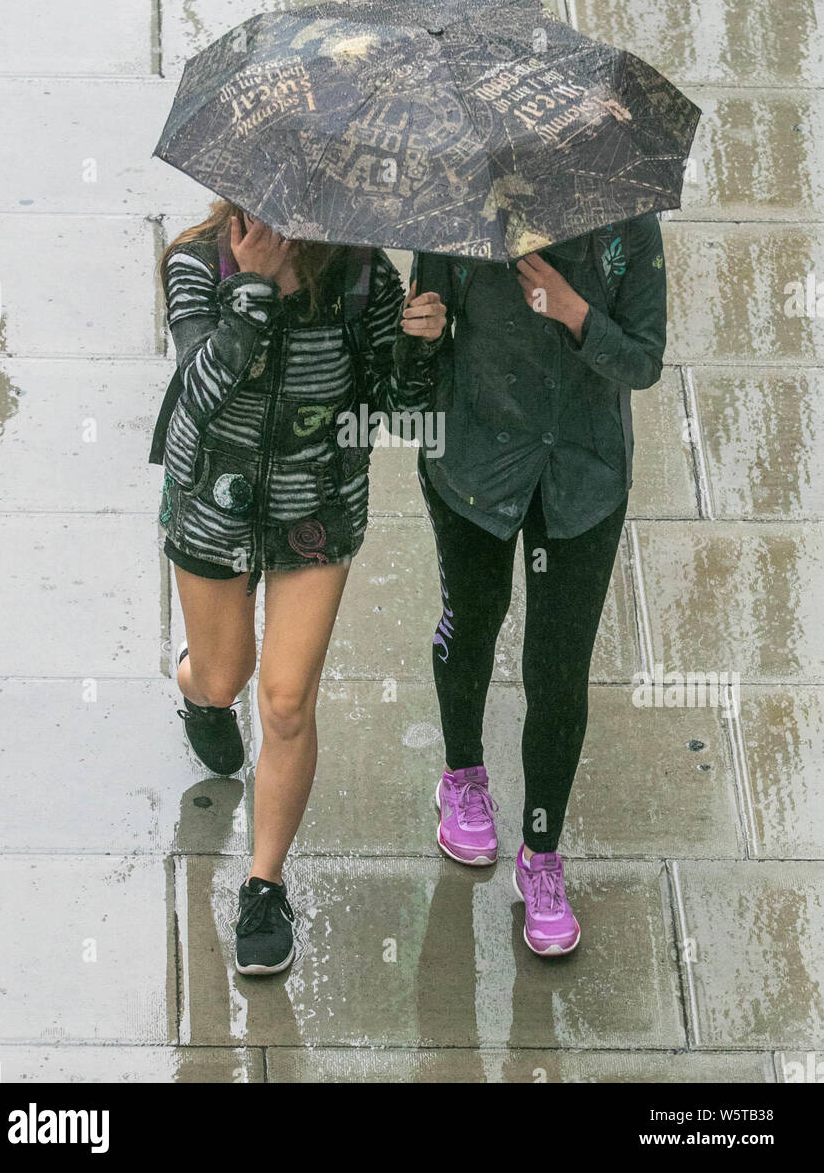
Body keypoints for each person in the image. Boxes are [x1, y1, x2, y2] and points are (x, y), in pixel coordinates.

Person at [152, 200, 446, 974]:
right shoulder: (196, 262)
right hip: (213, 504)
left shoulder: (360, 277)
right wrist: (250, 292)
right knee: (228, 675)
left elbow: (402, 416)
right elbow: (196, 396)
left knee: (285, 701)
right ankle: (197, 687)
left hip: (315, 514)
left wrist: (420, 348)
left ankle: (264, 882)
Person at [415, 213, 666, 957]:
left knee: (557, 674)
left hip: (583, 481)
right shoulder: (455, 218)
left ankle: (542, 854)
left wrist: (575, 311)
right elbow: (421, 352)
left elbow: (645, 362)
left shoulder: (631, 230)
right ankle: (462, 776)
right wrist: (415, 333)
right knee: (475, 624)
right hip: (473, 469)